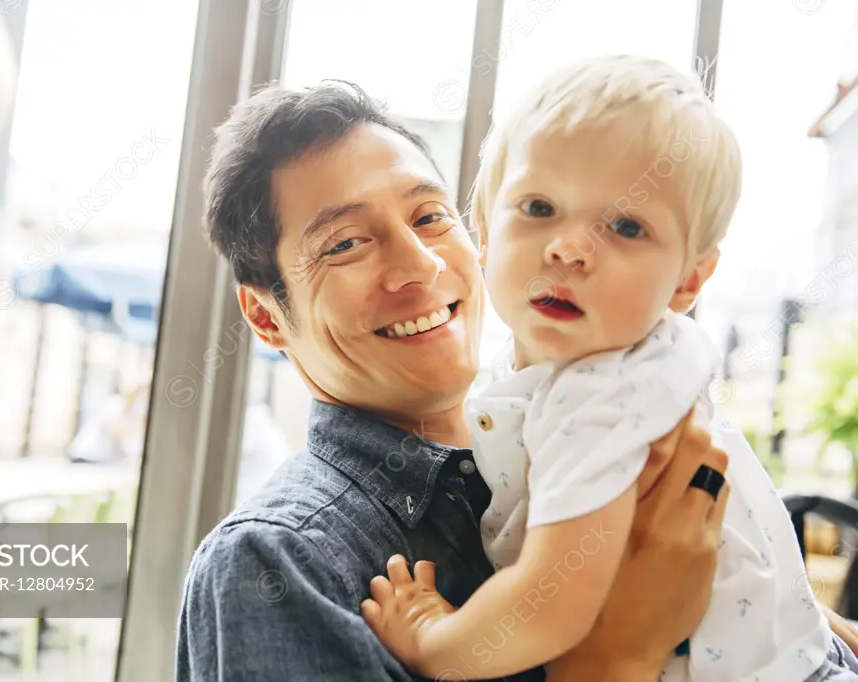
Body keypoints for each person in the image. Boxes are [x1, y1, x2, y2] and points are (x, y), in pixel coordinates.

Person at [174, 80, 858, 681]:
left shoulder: (555, 430)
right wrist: (615, 658)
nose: (419, 265)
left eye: (428, 217)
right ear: (265, 315)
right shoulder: (281, 561)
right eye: (346, 243)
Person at [358, 55, 842, 682]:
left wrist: (432, 640)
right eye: (538, 208)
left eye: (626, 225)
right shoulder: (617, 362)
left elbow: (551, 608)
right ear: (484, 226)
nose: (568, 248)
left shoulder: (599, 396)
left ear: (689, 279)